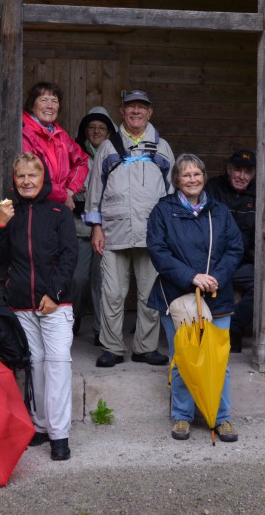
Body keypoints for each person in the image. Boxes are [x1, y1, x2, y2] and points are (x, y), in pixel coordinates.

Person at [147, 154, 245, 443]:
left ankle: (221, 417)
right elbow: (158, 251)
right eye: (186, 175)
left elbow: (235, 249)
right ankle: (182, 415)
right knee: (183, 359)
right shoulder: (163, 211)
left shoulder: (220, 211)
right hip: (177, 296)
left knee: (219, 360)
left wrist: (215, 277)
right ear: (176, 179)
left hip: (216, 294)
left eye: (197, 174)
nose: (192, 179)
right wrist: (192, 276)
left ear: (204, 177)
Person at [0, 153, 78, 461]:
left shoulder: (58, 211)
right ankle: (40, 425)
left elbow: (69, 257)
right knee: (35, 365)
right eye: (21, 176)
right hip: (21, 304)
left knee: (57, 363)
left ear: (44, 179)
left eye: (33, 176)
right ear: (14, 180)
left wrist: (54, 292)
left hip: (55, 302)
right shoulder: (9, 213)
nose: (27, 181)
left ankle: (60, 434)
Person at [83, 89, 174, 368]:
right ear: (122, 112)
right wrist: (96, 227)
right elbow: (94, 191)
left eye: (141, 107)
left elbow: (172, 192)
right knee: (112, 293)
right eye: (130, 107)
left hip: (152, 233)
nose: (136, 111)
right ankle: (112, 347)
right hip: (114, 231)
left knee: (150, 294)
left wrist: (171, 230)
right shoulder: (108, 148)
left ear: (150, 112)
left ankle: (145, 348)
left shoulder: (163, 147)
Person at [68, 106, 115, 342]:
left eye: (101, 128)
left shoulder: (116, 156)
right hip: (79, 227)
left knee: (102, 281)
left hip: (108, 230)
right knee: (78, 278)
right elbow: (69, 192)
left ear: (109, 132)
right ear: (84, 131)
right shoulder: (75, 156)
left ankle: (100, 329)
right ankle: (73, 318)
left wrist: (86, 198)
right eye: (92, 127)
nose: (96, 132)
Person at [204, 149, 257, 353]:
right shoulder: (212, 189)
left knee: (263, 285)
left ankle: (234, 327)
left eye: (247, 172)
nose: (242, 176)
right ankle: (208, 336)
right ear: (228, 169)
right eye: (237, 170)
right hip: (212, 261)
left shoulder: (259, 194)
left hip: (240, 263)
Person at [21, 82, 89, 210]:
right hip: (33, 207)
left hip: (58, 206)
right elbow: (31, 177)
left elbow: (82, 160)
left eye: (54, 101)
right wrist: (63, 196)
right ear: (31, 105)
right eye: (44, 100)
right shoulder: (24, 133)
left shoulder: (61, 135)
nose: (50, 106)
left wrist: (70, 190)